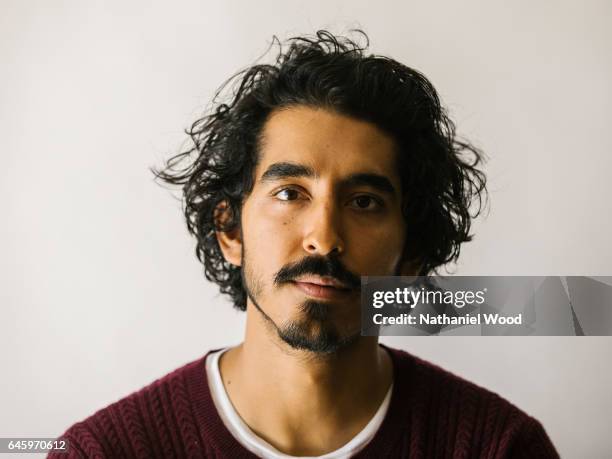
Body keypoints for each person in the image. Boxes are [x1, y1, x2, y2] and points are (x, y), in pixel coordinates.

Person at [50, 30, 558, 458]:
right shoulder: (103, 452)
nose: (324, 238)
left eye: (364, 202)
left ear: (411, 257)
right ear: (229, 231)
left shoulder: (501, 448)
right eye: (290, 193)